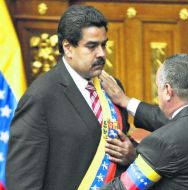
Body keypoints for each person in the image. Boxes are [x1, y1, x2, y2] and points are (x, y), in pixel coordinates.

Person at [6, 5, 136, 190]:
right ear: (68, 47)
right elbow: (23, 178)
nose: (101, 54)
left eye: (103, 45)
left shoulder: (112, 87)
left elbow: (116, 141)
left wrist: (131, 154)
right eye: (92, 46)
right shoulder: (40, 97)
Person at [100, 54, 188, 189]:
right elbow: (179, 125)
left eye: (158, 87)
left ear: (167, 90)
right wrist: (126, 101)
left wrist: (136, 158)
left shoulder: (164, 142)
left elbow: (122, 187)